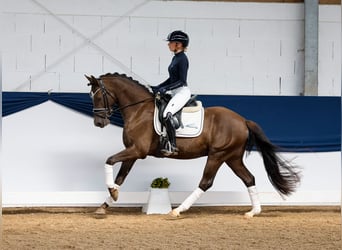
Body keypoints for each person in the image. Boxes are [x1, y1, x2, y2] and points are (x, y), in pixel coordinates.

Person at [152, 30, 191, 156]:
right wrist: (159, 87)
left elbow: (182, 81)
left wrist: (166, 89)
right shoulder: (175, 58)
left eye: (171, 43)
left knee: (167, 114)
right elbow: (171, 79)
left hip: (182, 92)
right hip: (174, 91)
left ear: (178, 44)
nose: (168, 44)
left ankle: (172, 145)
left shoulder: (183, 59)